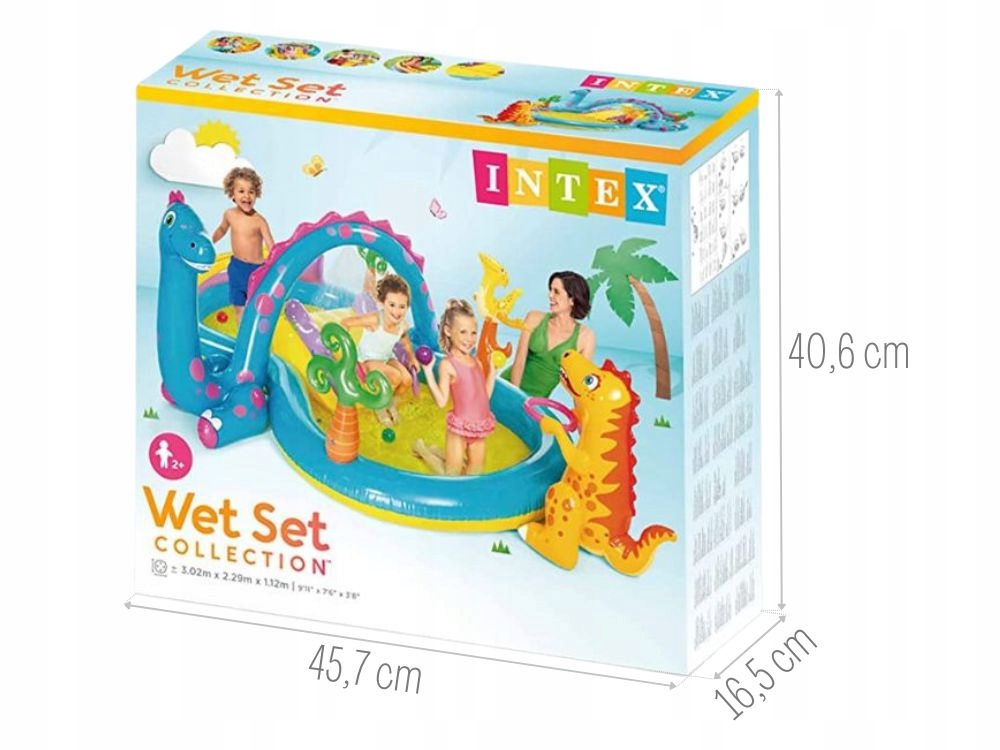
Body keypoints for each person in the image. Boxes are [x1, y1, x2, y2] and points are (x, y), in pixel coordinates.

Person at [417, 299, 497, 476]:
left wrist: (492, 372)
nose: (470, 339)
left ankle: (436, 450)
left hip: (479, 429)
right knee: (451, 476)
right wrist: (428, 371)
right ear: (448, 331)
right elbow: (441, 401)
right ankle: (422, 449)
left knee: (474, 476)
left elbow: (484, 398)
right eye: (463, 332)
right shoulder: (448, 364)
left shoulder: (476, 362)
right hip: (459, 430)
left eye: (473, 333)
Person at [502, 271, 596, 397]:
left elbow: (579, 384)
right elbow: (519, 359)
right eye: (550, 290)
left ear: (572, 300)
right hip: (509, 386)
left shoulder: (585, 337)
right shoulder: (534, 318)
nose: (550, 295)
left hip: (536, 402)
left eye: (556, 292)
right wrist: (514, 395)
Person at [340, 274, 417, 426]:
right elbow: (346, 322)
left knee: (407, 380)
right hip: (367, 359)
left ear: (407, 307)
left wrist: (412, 358)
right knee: (395, 376)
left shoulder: (403, 325)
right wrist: (347, 353)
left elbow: (405, 341)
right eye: (392, 305)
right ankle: (379, 405)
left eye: (402, 307)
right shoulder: (375, 320)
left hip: (386, 357)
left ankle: (390, 403)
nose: (397, 311)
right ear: (382, 303)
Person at [212, 167, 274, 323]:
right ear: (232, 193)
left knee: (255, 307)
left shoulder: (259, 221)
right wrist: (210, 242)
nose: (246, 196)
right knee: (238, 307)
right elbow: (222, 229)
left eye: (251, 192)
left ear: (256, 194)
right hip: (236, 268)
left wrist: (274, 264)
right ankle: (242, 336)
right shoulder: (229, 215)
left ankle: (255, 333)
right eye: (241, 191)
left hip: (256, 270)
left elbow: (271, 245)